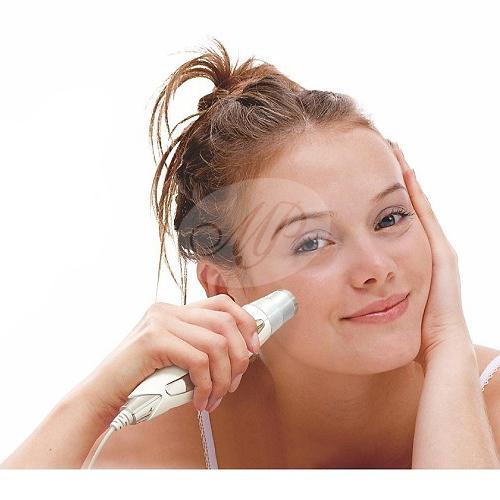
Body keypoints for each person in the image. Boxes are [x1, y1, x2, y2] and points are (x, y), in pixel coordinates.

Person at [2, 38, 500, 469]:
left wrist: (449, 343)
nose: (377, 268)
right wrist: (94, 400)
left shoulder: (491, 401)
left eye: (390, 218)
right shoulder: (168, 436)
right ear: (225, 285)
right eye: (312, 242)